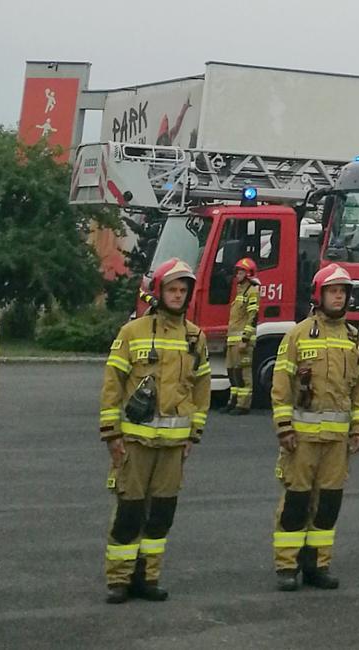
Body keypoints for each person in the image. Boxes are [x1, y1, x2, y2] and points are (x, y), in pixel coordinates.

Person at [98, 258, 212, 604]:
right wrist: (112, 434)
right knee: (130, 512)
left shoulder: (196, 337)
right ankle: (119, 580)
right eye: (172, 289)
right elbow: (112, 384)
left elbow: (201, 389)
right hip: (135, 443)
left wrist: (194, 434)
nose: (177, 296)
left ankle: (148, 577)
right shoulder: (132, 333)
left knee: (161, 516)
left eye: (182, 290)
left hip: (174, 447)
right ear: (158, 292)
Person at [270, 265, 359, 592]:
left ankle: (317, 565)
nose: (338, 296)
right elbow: (282, 384)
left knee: (328, 505)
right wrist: (284, 427)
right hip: (301, 440)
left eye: (343, 291)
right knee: (296, 503)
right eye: (332, 290)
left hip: (336, 443)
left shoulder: (354, 338)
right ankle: (288, 566)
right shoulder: (297, 334)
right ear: (319, 294)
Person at [224, 258, 261, 415]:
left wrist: (245, 339)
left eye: (241, 272)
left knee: (243, 373)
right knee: (233, 372)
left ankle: (243, 405)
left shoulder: (252, 292)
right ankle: (233, 401)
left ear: (248, 274)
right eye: (237, 272)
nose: (237, 275)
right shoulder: (240, 291)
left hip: (242, 341)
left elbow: (253, 317)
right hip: (233, 341)